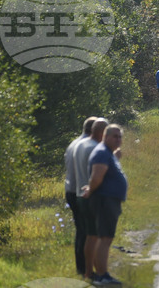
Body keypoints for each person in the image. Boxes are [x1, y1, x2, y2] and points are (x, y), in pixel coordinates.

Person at [81, 124, 127, 285]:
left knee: (105, 238)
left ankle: (102, 274)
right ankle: (101, 275)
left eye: (120, 136)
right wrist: (90, 190)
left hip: (109, 200)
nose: (118, 139)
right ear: (105, 137)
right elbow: (96, 177)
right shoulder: (101, 153)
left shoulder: (107, 153)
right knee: (105, 238)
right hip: (104, 200)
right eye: (114, 136)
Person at [73, 118, 107, 283]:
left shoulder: (80, 145)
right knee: (94, 236)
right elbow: (97, 176)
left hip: (80, 193)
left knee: (89, 235)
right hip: (92, 195)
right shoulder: (95, 149)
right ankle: (93, 272)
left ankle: (89, 271)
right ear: (101, 132)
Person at [65, 117, 97, 278]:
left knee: (81, 230)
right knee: (86, 231)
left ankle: (81, 266)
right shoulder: (88, 146)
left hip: (70, 189)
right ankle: (84, 267)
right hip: (80, 190)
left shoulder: (74, 143)